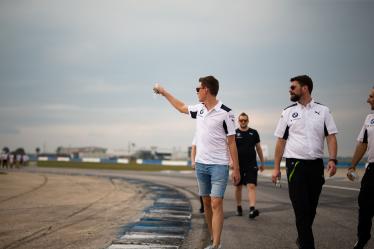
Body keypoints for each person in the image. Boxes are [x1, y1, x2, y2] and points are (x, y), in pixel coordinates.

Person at [154, 76, 240, 249]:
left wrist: (236, 168)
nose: (196, 92)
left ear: (206, 90)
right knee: (207, 203)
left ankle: (216, 244)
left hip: (219, 165)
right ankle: (212, 238)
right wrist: (164, 92)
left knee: (216, 203)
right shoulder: (199, 109)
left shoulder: (226, 112)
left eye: (198, 89)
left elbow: (231, 142)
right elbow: (181, 107)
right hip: (201, 165)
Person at [272, 75, 338, 249]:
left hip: (316, 166)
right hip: (295, 166)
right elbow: (280, 142)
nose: (290, 90)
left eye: (293, 87)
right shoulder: (287, 112)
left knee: (310, 209)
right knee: (301, 210)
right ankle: (307, 244)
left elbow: (331, 136)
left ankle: (302, 236)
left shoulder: (323, 111)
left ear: (305, 88)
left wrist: (332, 159)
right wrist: (276, 167)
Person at [347, 87, 374, 249]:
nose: (368, 99)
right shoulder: (369, 118)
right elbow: (362, 144)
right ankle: (362, 239)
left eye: (371, 96)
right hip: (372, 170)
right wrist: (352, 166)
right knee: (364, 205)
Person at [234, 112, 265, 219]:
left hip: (251, 164)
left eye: (245, 120)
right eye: (241, 120)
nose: (243, 122)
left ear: (248, 121)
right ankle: (239, 207)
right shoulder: (234, 133)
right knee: (238, 187)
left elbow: (258, 148)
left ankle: (252, 209)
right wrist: (231, 163)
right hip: (238, 165)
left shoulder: (254, 132)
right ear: (238, 121)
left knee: (251, 186)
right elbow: (230, 149)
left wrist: (262, 162)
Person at [191, 135, 204, 213]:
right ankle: (203, 206)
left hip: (214, 163)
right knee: (201, 187)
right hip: (200, 163)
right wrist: (193, 161)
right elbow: (193, 148)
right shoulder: (198, 134)